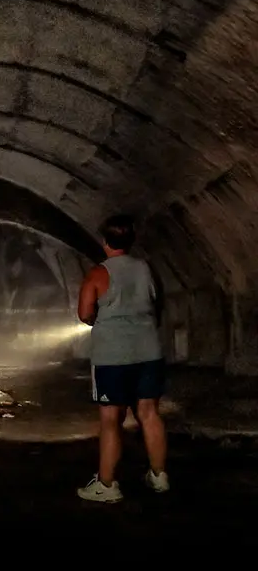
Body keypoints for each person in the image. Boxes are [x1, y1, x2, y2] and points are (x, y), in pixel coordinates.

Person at [76, 214, 169, 503]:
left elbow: (85, 313)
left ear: (104, 242)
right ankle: (159, 476)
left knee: (111, 420)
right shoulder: (147, 268)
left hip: (112, 356)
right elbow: (159, 302)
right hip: (148, 351)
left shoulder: (97, 273)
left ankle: (107, 484)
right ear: (131, 240)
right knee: (150, 414)